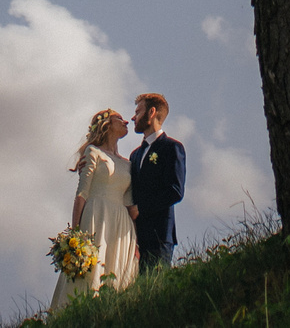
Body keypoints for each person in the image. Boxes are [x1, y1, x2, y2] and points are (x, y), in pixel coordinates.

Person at [47, 108, 139, 312]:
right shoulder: (93, 152)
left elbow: (131, 205)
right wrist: (76, 234)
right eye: (119, 119)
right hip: (97, 216)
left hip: (121, 222)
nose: (126, 122)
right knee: (92, 270)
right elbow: (82, 194)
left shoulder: (128, 163)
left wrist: (137, 242)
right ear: (106, 125)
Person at [127, 93, 186, 272]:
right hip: (134, 238)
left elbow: (175, 190)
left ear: (151, 112)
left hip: (159, 237)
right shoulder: (135, 155)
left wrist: (141, 208)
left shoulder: (172, 148)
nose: (133, 117)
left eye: (138, 112)